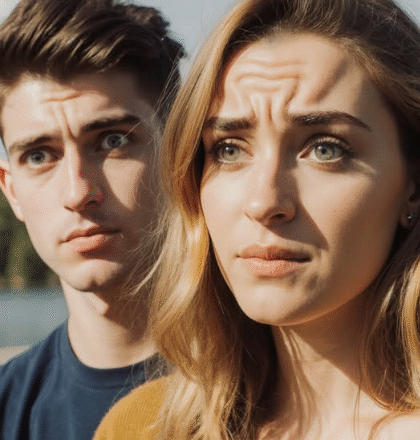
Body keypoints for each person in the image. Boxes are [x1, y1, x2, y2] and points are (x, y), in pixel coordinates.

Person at [94, 0, 420, 439]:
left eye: (325, 149)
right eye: (229, 149)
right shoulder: (146, 427)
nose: (264, 202)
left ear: (413, 185)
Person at [0, 0, 183, 439]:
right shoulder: (8, 409)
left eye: (112, 141)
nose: (79, 192)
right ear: (12, 191)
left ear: (179, 152)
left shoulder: (290, 383)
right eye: (39, 156)